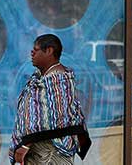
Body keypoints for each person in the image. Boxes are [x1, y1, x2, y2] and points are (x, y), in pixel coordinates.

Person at [10, 34, 91, 165]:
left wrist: (26, 144)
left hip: (52, 153)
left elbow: (57, 118)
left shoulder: (59, 80)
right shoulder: (40, 78)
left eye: (36, 50)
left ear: (49, 51)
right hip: (37, 152)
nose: (31, 53)